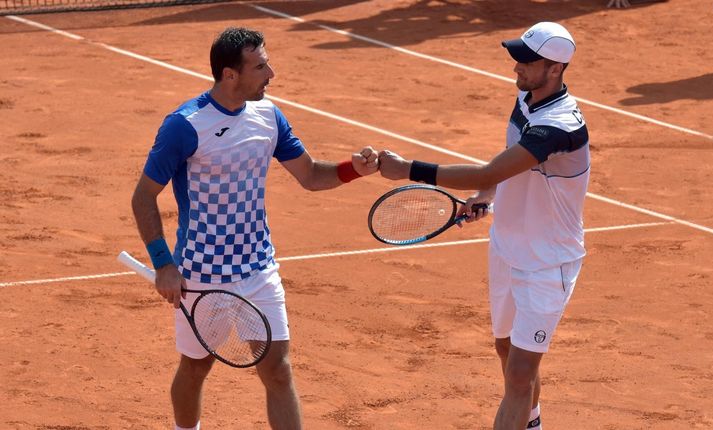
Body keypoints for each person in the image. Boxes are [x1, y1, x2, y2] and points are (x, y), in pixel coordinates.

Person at [130, 27, 378, 430]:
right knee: (196, 366)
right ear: (230, 75)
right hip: (203, 275)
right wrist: (164, 264)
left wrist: (354, 170)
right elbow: (143, 197)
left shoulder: (268, 115)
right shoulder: (185, 125)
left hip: (259, 269)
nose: (271, 73)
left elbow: (312, 175)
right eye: (260, 66)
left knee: (278, 369)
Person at [378, 22, 589, 430]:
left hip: (547, 262)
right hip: (507, 248)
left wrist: (409, 169)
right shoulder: (526, 100)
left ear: (555, 69)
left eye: (527, 62)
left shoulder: (560, 125)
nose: (516, 68)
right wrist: (486, 195)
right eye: (517, 58)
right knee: (507, 349)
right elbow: (506, 163)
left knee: (520, 376)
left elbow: (491, 167)